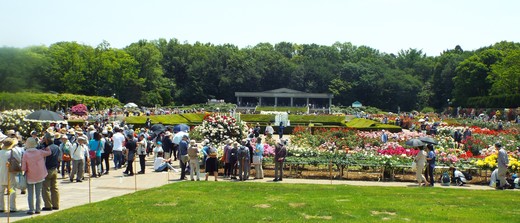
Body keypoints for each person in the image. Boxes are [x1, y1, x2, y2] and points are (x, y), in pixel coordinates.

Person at [22, 137, 51, 215]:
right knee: (38, 193)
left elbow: (23, 167)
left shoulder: (25, 154)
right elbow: (49, 152)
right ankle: (38, 209)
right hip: (40, 174)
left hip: (30, 175)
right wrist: (46, 145)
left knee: (30, 194)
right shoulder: (39, 152)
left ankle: (31, 209)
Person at [42, 132, 61, 211]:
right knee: (55, 188)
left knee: (46, 188)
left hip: (47, 169)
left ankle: (48, 205)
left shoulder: (47, 148)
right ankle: (56, 204)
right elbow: (59, 158)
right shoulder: (57, 147)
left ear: (47, 139)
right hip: (54, 169)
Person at [0, 138, 19, 213]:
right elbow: (19, 160)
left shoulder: (0, 152)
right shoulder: (12, 152)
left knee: (1, 192)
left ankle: (1, 207)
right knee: (11, 191)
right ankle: (12, 207)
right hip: (10, 173)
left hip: (1, 174)